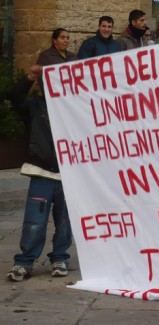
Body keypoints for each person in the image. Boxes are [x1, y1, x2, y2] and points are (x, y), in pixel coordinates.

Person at [6, 28, 77, 282]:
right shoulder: (34, 106)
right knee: (34, 221)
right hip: (41, 171)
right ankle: (24, 261)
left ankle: (60, 257)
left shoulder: (74, 107)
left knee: (65, 221)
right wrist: (28, 78)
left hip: (68, 172)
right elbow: (13, 97)